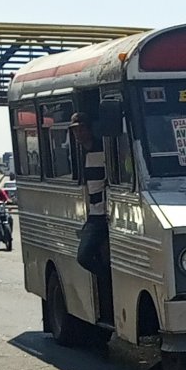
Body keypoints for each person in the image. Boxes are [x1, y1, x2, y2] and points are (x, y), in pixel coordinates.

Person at [69, 111, 113, 324]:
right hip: (93, 213)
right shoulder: (80, 153)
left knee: (84, 256)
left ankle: (107, 278)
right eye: (75, 130)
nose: (78, 133)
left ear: (88, 129)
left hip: (101, 215)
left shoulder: (99, 150)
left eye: (81, 129)